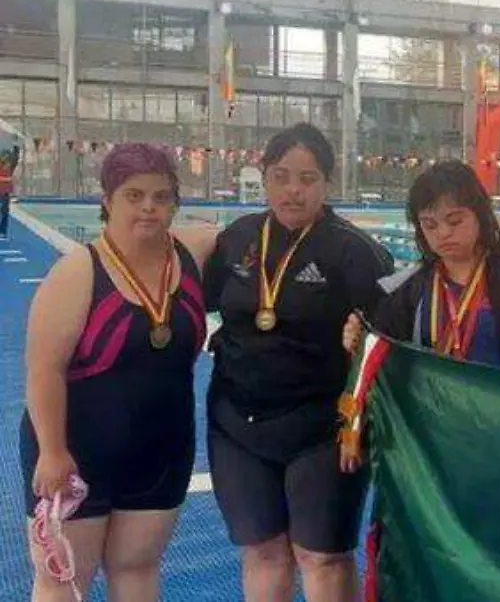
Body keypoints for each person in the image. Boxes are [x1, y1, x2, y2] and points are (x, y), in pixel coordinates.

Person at [203, 123, 396, 602]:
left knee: (322, 557)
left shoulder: (354, 252)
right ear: (265, 177)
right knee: (262, 551)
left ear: (327, 183)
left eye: (307, 178)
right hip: (237, 425)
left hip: (321, 428)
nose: (293, 190)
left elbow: (389, 339)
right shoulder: (238, 239)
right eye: (281, 176)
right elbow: (196, 298)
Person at [20, 143, 215, 601]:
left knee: (137, 570)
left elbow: (259, 241)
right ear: (107, 200)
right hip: (77, 452)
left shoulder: (194, 251)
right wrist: (52, 452)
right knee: (64, 579)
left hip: (161, 450)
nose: (149, 207)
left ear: (175, 204)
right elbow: (43, 371)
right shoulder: (78, 272)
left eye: (161, 196)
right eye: (134, 195)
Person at [347, 159, 500, 374]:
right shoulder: (406, 291)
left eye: (454, 221)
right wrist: (358, 336)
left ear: (480, 215)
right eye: (430, 225)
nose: (443, 233)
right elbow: (378, 353)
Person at [0, 143, 18, 240]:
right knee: (4, 212)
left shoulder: (11, 167)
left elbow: (15, 159)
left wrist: (16, 147)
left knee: (5, 212)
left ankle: (3, 231)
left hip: (5, 193)